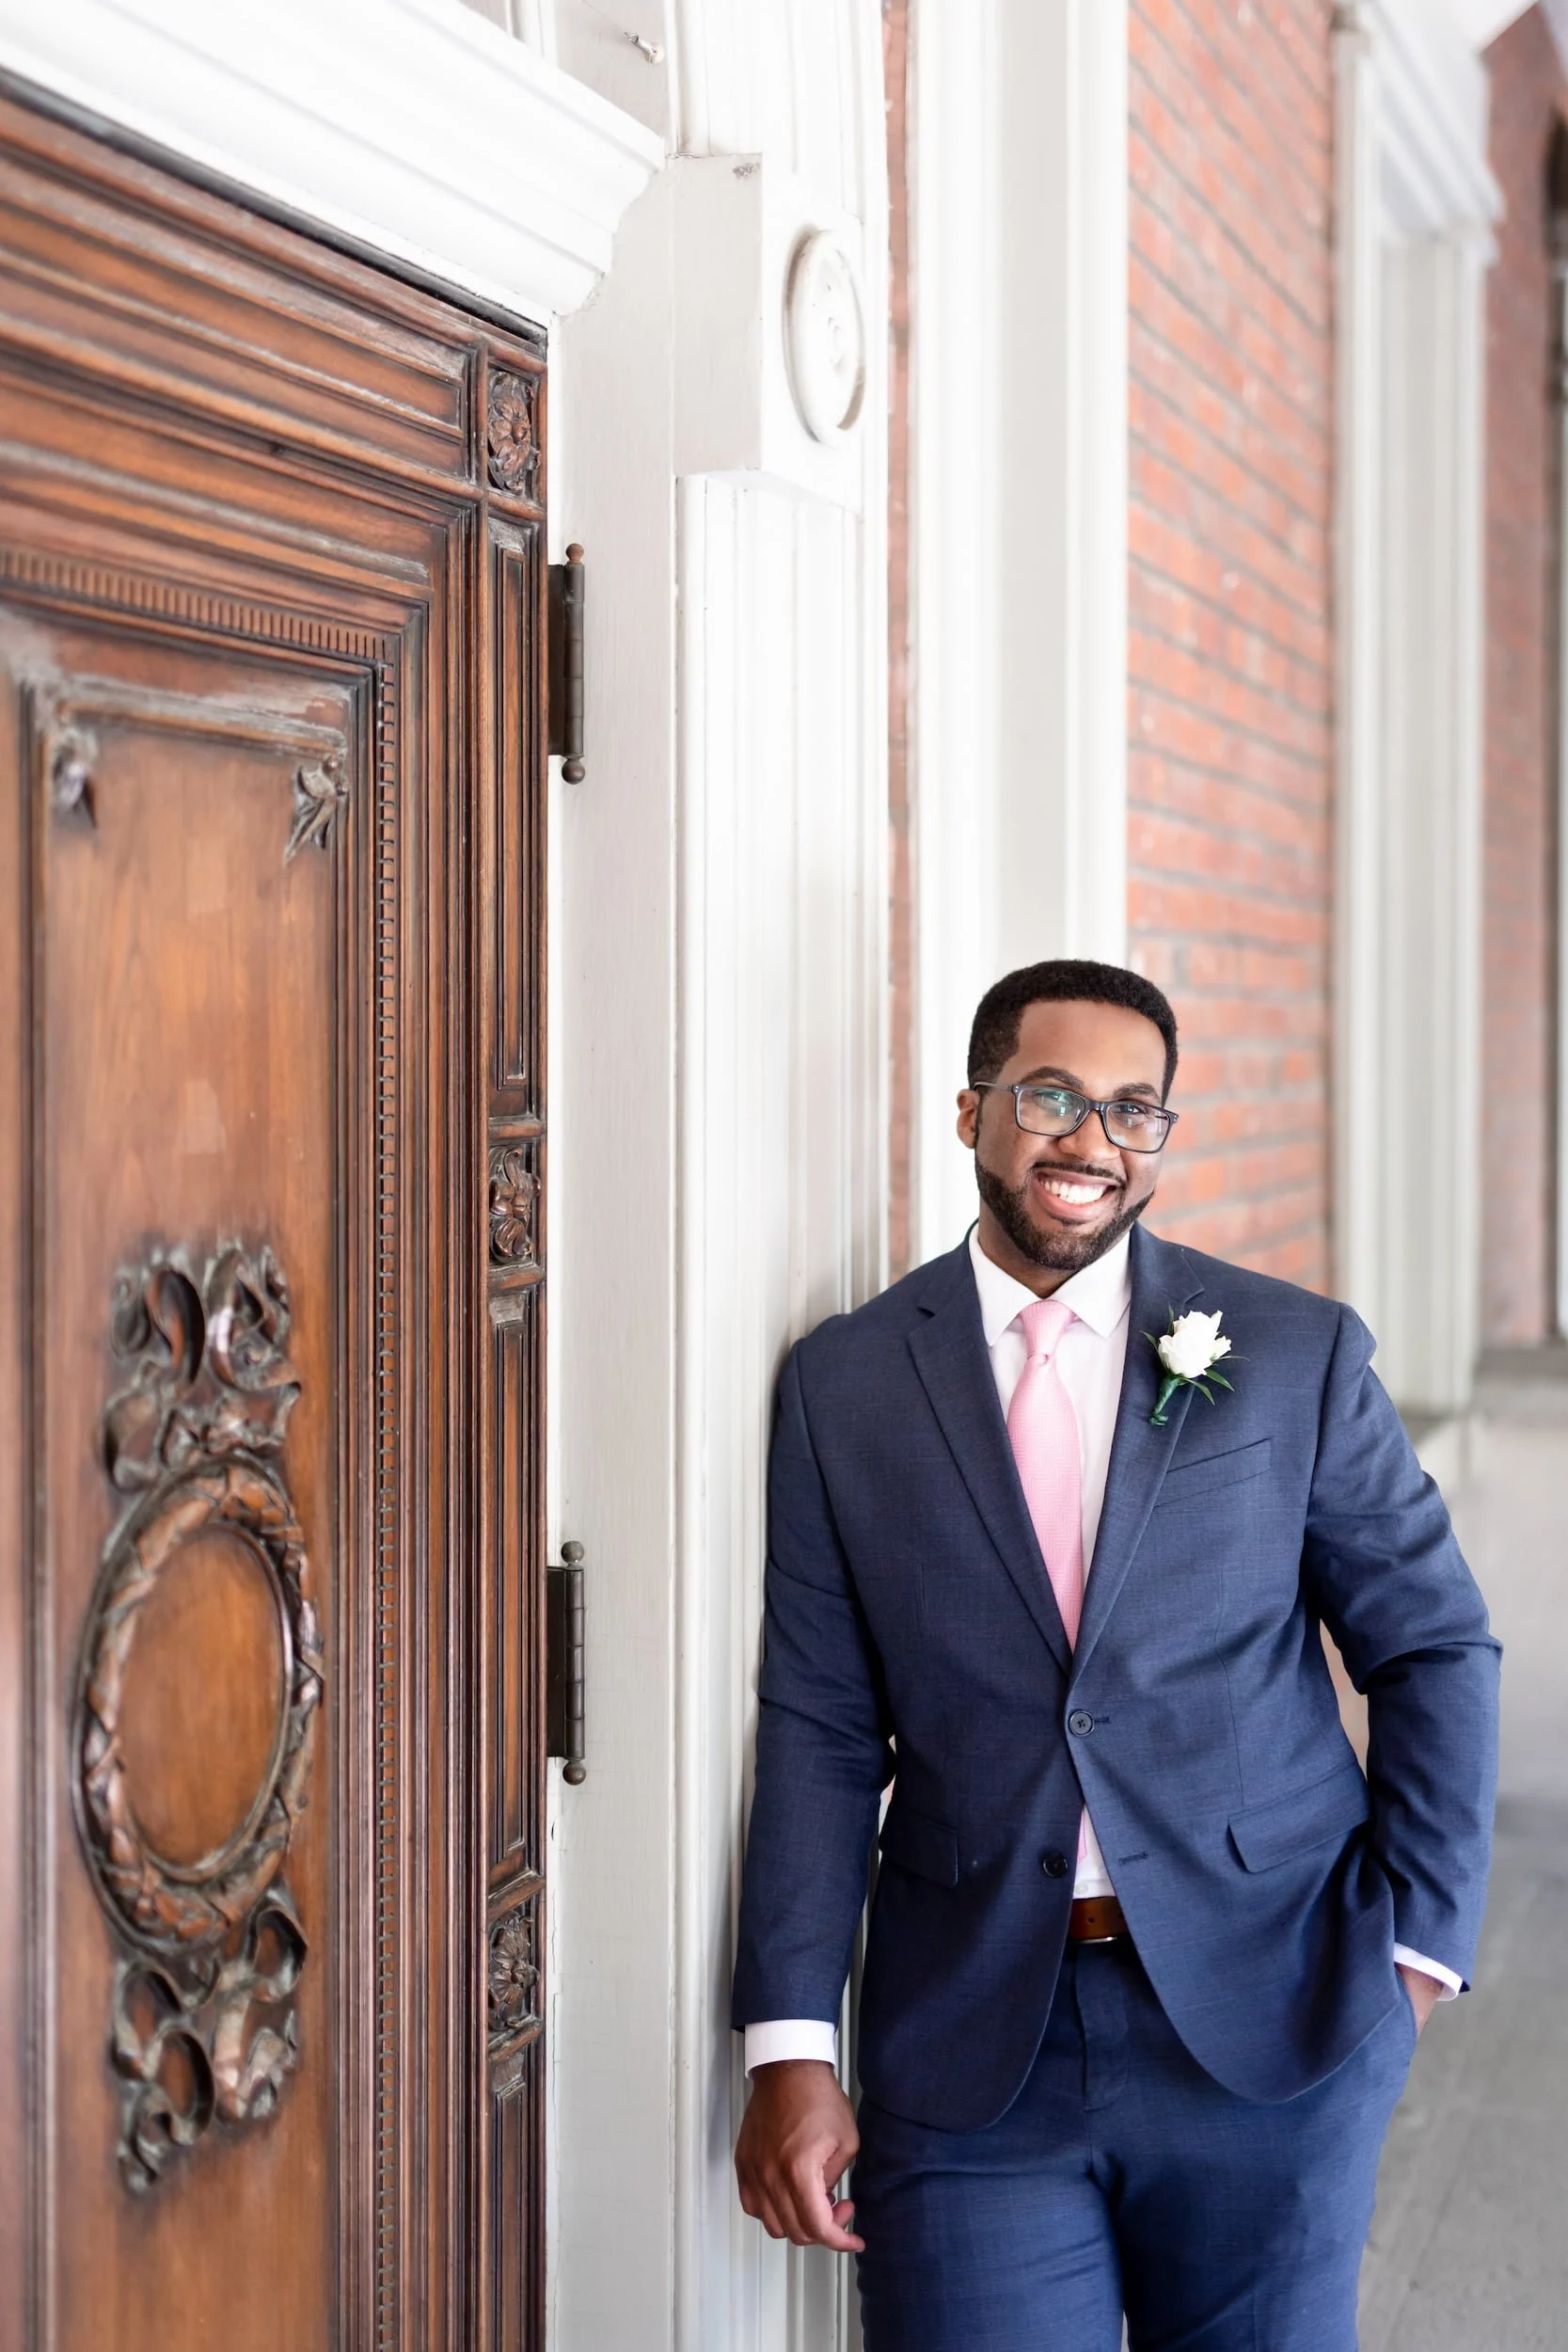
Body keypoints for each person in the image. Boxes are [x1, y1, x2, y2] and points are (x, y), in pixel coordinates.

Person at [731, 959, 1499, 2351]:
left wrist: (1417, 1951)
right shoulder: (844, 1386)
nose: (1089, 1141)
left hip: (1275, 2023)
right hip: (970, 2048)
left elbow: (1432, 1643)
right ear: (971, 1111)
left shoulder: (1284, 1353)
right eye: (1051, 1096)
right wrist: (791, 2042)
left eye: (1133, 1111)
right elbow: (818, 1724)